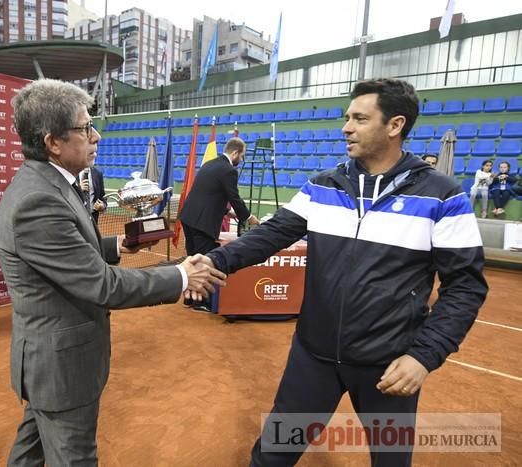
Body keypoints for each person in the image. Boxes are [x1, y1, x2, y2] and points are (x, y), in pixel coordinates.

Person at [196, 79, 488, 466]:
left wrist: (423, 356)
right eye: (347, 117)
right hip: (313, 357)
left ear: (395, 125)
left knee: (390, 462)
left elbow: (465, 286)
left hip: (390, 365)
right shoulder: (323, 185)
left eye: (360, 118)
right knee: (273, 456)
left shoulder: (444, 196)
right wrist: (217, 260)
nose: (346, 127)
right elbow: (272, 234)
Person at [0, 79, 226, 467]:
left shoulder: (48, 182)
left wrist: (120, 245)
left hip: (51, 363)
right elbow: (101, 285)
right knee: (74, 458)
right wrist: (181, 276)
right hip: (61, 368)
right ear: (53, 142)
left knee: (31, 452)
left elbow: (66, 252)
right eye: (86, 128)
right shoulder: (39, 200)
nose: (96, 135)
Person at [177, 137, 259, 311]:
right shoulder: (229, 170)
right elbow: (234, 197)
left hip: (189, 217)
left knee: (192, 259)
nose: (241, 160)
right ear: (235, 152)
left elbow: (208, 194)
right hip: (203, 223)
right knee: (203, 262)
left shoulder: (209, 164)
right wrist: (249, 217)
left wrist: (226, 212)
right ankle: (201, 302)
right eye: (242, 156)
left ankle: (190, 299)